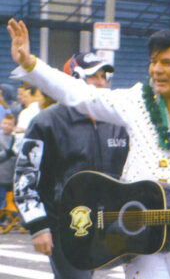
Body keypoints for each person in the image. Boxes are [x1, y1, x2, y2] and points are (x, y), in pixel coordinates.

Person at [8, 19, 170, 279]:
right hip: (139, 236)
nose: (156, 70)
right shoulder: (137, 102)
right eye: (153, 61)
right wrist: (30, 64)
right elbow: (80, 94)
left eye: (167, 63)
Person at [13, 51, 129, 279]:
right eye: (93, 75)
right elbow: (25, 178)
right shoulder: (46, 122)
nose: (100, 82)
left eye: (104, 75)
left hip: (110, 226)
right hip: (65, 227)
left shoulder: (118, 121)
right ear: (72, 78)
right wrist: (38, 225)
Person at [0, 113, 16, 209]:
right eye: (5, 123)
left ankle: (9, 220)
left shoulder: (16, 138)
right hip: (1, 176)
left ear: (13, 126)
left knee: (10, 201)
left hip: (11, 176)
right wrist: (7, 153)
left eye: (9, 124)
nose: (6, 126)